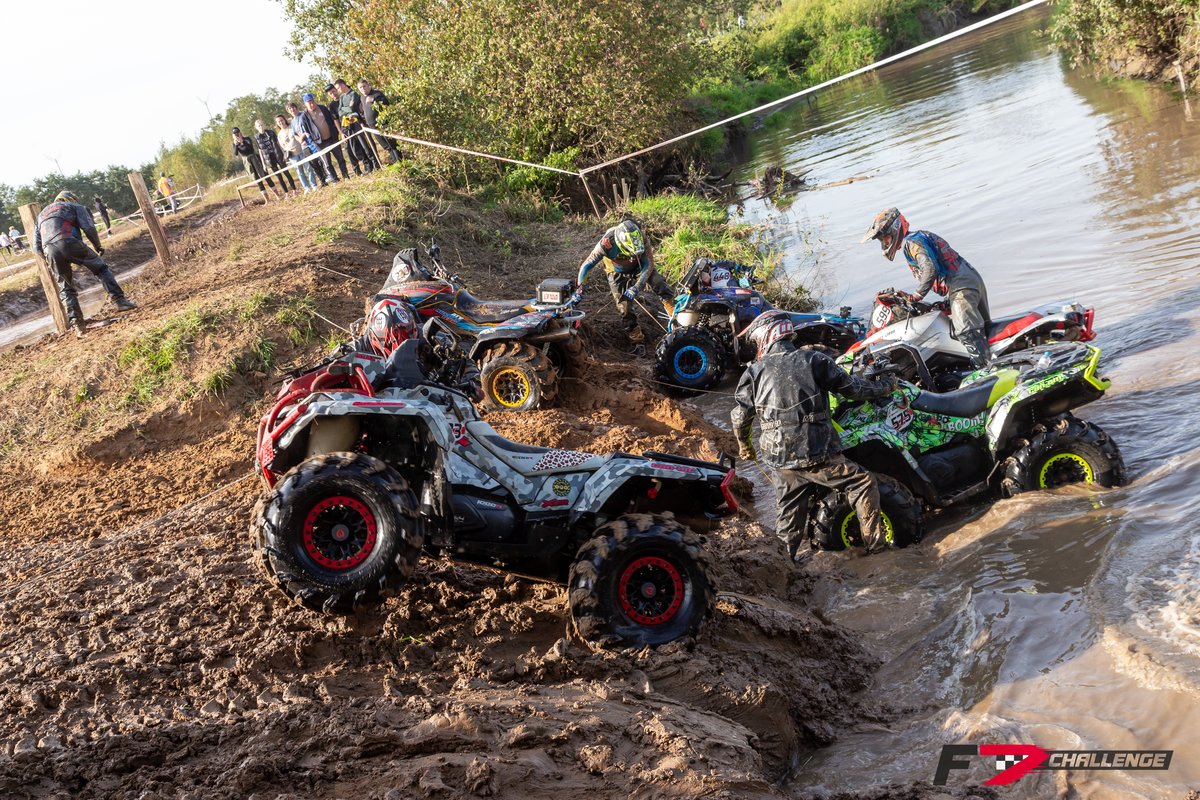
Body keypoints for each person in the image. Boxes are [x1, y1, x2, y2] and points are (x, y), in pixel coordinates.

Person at [732, 311, 896, 558]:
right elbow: (853, 389)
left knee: (788, 524)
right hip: (817, 453)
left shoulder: (753, 373)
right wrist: (886, 386)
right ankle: (878, 550)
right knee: (863, 482)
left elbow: (740, 417)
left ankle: (784, 567)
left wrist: (745, 446)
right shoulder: (814, 360)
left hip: (780, 462)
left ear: (766, 336)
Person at [862, 207, 991, 369]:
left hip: (961, 285)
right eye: (882, 240)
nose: (885, 243)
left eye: (885, 238)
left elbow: (930, 269)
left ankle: (985, 371)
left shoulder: (911, 242)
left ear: (895, 230)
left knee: (966, 330)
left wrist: (916, 296)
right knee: (985, 329)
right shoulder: (918, 238)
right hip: (967, 280)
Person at [33, 190, 136, 338]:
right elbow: (88, 228)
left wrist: (50, 261)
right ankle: (120, 301)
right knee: (101, 268)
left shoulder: (41, 215)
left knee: (65, 287)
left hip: (49, 250)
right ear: (71, 199)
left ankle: (78, 325)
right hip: (69, 241)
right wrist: (97, 245)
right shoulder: (74, 206)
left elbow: (36, 247)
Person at [571, 219, 675, 356]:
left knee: (659, 283)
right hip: (616, 271)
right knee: (624, 306)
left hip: (639, 267)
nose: (633, 255)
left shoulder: (642, 238)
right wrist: (579, 288)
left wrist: (637, 287)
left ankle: (676, 319)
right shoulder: (606, 243)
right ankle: (637, 342)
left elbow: (648, 265)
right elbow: (587, 265)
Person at [350, 297, 483, 401]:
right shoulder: (357, 348)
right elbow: (338, 360)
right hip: (377, 404)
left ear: (414, 328)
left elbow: (464, 361)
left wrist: (472, 382)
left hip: (428, 399)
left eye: (407, 337)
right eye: (391, 344)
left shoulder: (432, 337)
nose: (398, 345)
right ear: (374, 337)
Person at [333, 79, 381, 172]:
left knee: (366, 145)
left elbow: (351, 109)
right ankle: (368, 166)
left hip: (358, 123)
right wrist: (345, 109)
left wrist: (344, 109)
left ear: (343, 85)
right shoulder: (342, 97)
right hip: (349, 125)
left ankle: (376, 163)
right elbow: (339, 112)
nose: (338, 90)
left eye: (338, 88)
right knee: (357, 148)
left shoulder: (353, 94)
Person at [303, 93, 350, 181]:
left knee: (340, 158)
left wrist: (336, 132)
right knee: (327, 163)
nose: (312, 104)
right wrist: (313, 142)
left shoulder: (323, 108)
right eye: (309, 103)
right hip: (320, 143)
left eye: (312, 101)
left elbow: (332, 120)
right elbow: (306, 131)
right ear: (305, 104)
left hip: (332, 138)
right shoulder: (304, 116)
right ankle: (335, 179)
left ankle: (345, 175)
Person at [286, 101, 333, 186]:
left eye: (293, 107)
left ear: (296, 107)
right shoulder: (292, 122)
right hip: (304, 146)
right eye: (290, 109)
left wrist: (303, 136)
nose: (292, 109)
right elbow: (294, 134)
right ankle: (323, 181)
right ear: (288, 111)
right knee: (313, 163)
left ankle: (329, 176)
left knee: (322, 160)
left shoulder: (304, 115)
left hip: (312, 142)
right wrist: (300, 140)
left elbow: (308, 128)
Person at [324, 84, 366, 176]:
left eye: (333, 91)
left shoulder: (346, 97)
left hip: (355, 125)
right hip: (345, 128)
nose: (333, 94)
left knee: (361, 145)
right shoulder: (332, 105)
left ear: (336, 89)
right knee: (349, 150)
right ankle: (357, 170)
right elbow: (335, 120)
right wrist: (341, 133)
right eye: (330, 93)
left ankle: (367, 165)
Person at [357, 78, 401, 164]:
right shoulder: (362, 98)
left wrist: (374, 100)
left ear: (368, 85)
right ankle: (396, 163)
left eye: (364, 86)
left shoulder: (376, 94)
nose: (363, 89)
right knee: (386, 146)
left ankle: (400, 162)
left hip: (383, 124)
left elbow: (386, 103)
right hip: (373, 127)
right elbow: (362, 110)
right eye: (360, 87)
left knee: (392, 144)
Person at [232, 127, 279, 201]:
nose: (237, 135)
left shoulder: (247, 139)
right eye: (235, 134)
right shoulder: (234, 144)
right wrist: (237, 144)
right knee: (257, 180)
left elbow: (251, 148)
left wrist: (242, 142)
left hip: (255, 158)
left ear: (240, 132)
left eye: (238, 133)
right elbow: (236, 153)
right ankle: (267, 200)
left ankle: (277, 195)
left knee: (265, 175)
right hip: (247, 161)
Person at [254, 119, 297, 195]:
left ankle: (294, 190)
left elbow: (278, 143)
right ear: (256, 128)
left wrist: (284, 153)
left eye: (261, 125)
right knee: (279, 176)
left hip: (278, 154)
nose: (261, 127)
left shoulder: (271, 132)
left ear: (264, 125)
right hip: (269, 158)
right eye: (259, 126)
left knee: (286, 172)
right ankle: (286, 193)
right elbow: (260, 151)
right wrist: (263, 164)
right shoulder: (257, 137)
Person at [277, 114, 316, 193]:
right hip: (292, 156)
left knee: (309, 168)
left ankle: (314, 185)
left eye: (281, 120)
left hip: (301, 151)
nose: (281, 122)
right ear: (277, 123)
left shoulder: (292, 128)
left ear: (284, 120)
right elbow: (283, 146)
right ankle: (307, 188)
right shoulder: (279, 135)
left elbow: (298, 136)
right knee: (300, 172)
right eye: (279, 121)